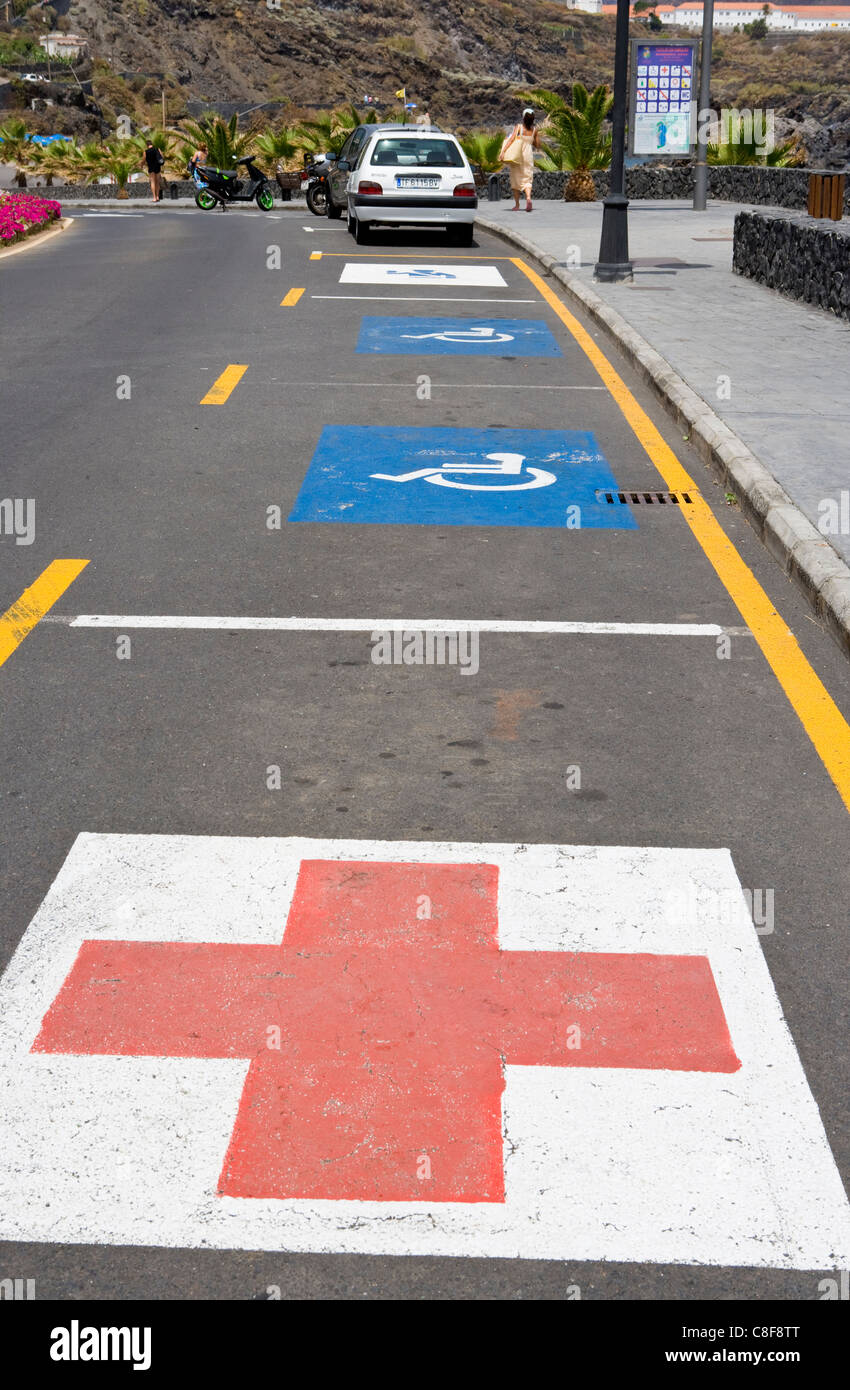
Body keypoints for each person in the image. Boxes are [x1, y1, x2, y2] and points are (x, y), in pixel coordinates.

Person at [502, 107, 540, 213]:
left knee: (515, 179)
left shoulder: (518, 127)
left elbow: (511, 140)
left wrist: (503, 151)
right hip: (528, 156)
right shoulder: (534, 130)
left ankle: (517, 205)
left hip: (517, 156)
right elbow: (537, 145)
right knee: (527, 179)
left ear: (523, 117)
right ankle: (528, 198)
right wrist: (531, 139)